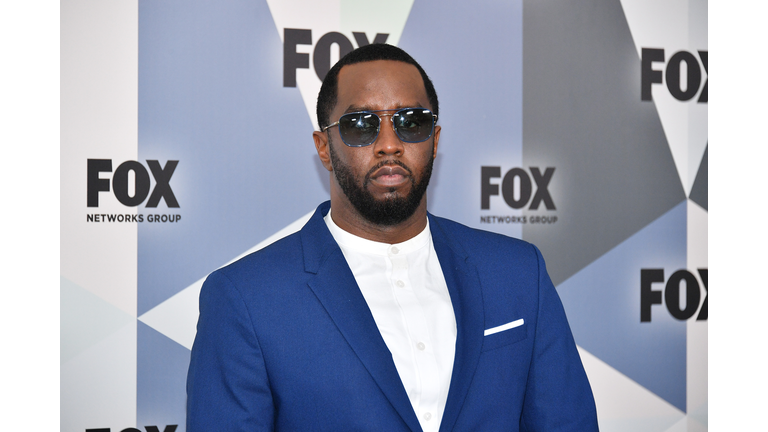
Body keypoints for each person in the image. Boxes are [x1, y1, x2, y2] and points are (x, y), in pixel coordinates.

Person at [187, 43, 599, 432]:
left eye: (411, 122)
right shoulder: (245, 299)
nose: (389, 144)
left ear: (435, 140)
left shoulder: (517, 273)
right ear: (325, 147)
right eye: (361, 124)